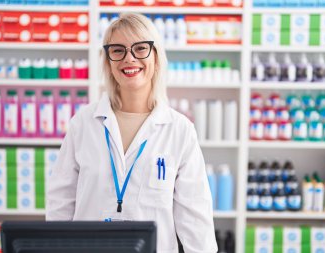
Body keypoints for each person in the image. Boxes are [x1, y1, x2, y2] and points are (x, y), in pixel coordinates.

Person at [46, 13, 217, 253]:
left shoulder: (180, 130)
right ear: (108, 62)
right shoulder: (83, 123)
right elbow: (60, 205)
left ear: (156, 58)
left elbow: (195, 218)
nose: (129, 58)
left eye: (140, 48)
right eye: (118, 50)